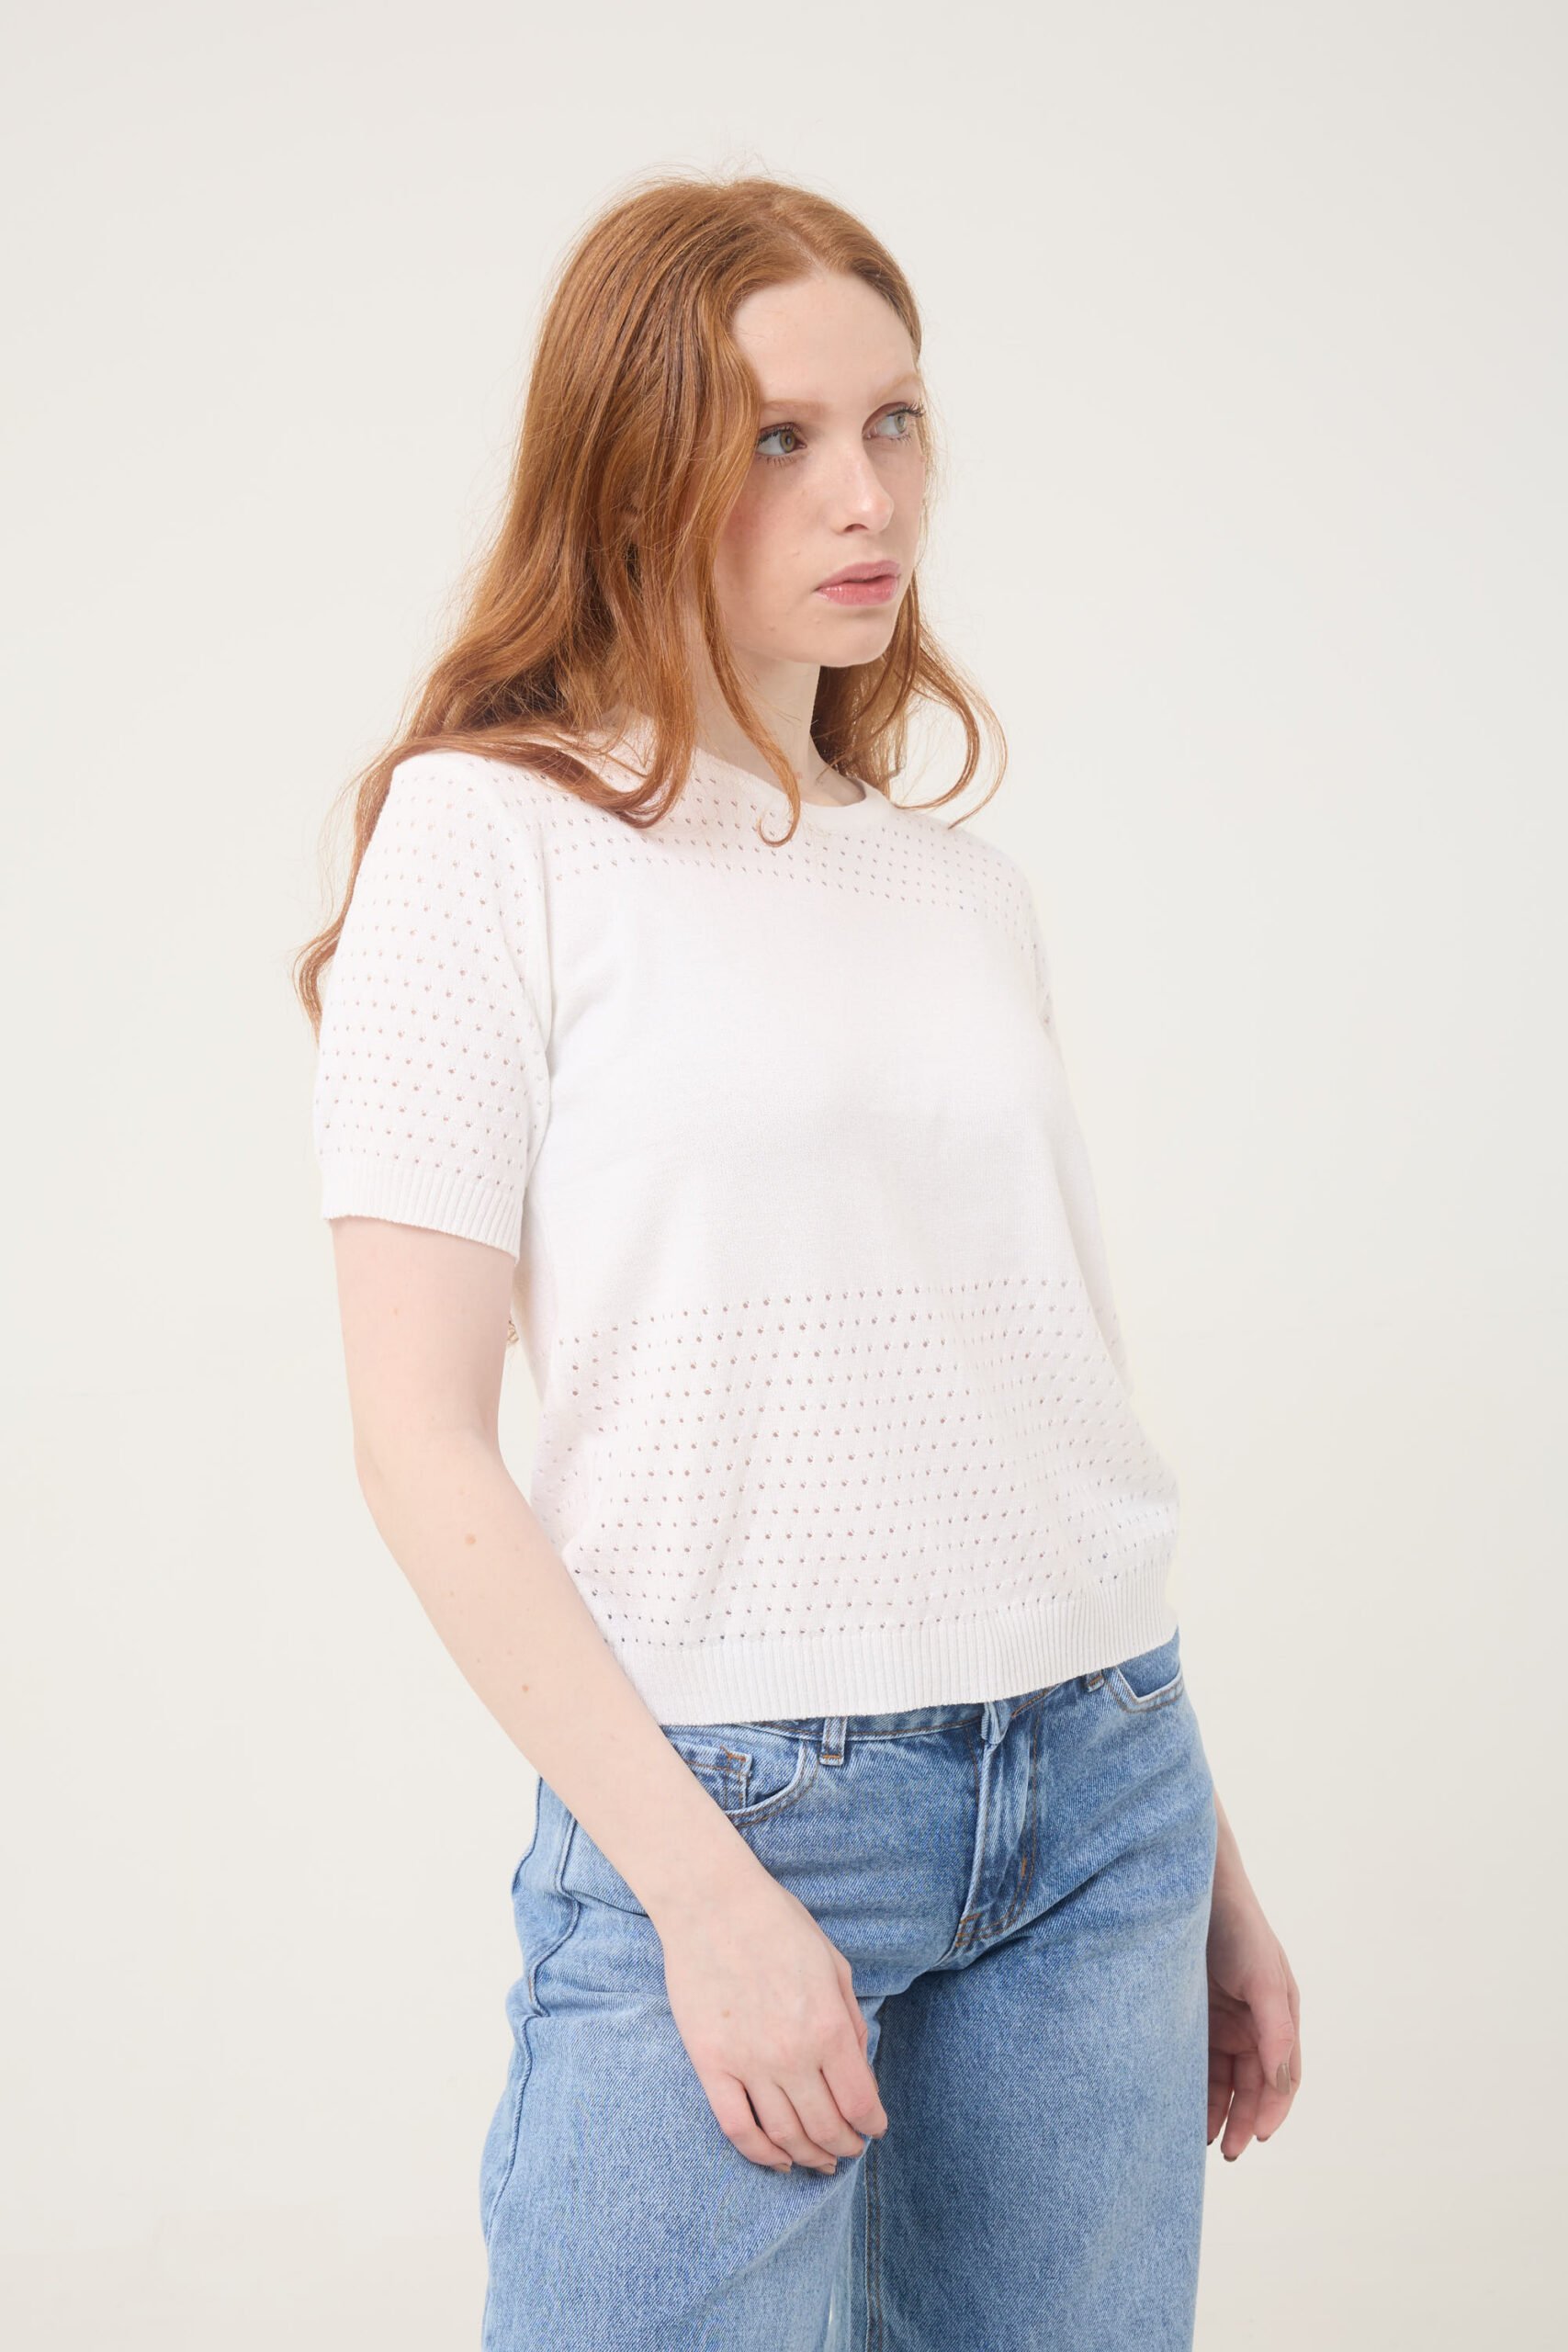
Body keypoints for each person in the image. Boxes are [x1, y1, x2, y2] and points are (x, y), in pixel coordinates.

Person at [297, 171, 1301, 2352]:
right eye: (779, 436)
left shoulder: (954, 891)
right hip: (736, 1799)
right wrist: (699, 1893)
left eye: (894, 420)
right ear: (625, 468)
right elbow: (413, 1438)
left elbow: (1034, 1393)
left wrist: (1202, 1851)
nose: (868, 495)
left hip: (1102, 1787)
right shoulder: (485, 836)